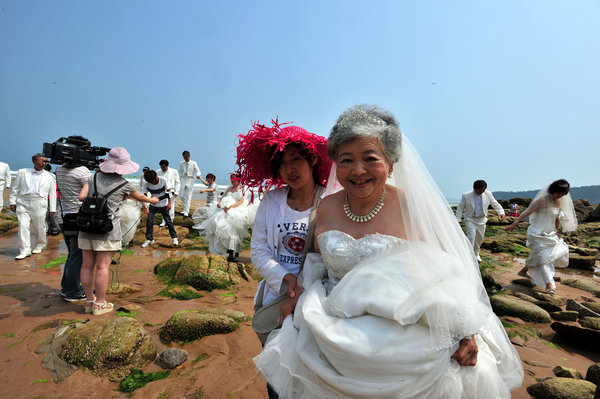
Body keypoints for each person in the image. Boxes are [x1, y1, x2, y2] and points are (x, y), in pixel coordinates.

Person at [254, 105, 523, 398]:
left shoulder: (413, 208)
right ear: (335, 165)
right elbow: (318, 263)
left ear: (391, 163)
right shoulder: (328, 206)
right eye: (346, 160)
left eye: (370, 158)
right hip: (329, 324)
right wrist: (298, 294)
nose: (357, 170)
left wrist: (465, 330)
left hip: (403, 335)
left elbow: (447, 272)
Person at [78, 147, 158, 315]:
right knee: (102, 268)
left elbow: (82, 196)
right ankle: (100, 304)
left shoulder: (92, 177)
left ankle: (88, 302)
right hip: (107, 230)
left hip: (86, 226)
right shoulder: (124, 185)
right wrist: (153, 200)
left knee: (86, 266)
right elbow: (142, 198)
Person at [505, 179, 577, 295]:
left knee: (540, 255)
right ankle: (549, 284)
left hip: (550, 233)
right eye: (558, 193)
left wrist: (557, 231)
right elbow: (526, 213)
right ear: (553, 190)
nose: (560, 196)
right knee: (544, 258)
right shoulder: (541, 201)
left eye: (562, 194)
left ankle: (524, 270)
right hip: (537, 233)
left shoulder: (558, 202)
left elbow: (556, 218)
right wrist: (514, 224)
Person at [55, 153, 92, 301]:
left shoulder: (59, 169)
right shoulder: (83, 171)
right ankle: (73, 292)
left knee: (72, 255)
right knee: (78, 257)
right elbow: (92, 188)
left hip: (65, 217)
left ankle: (67, 288)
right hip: (80, 218)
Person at [9, 154, 57, 260]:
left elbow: (53, 193)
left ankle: (40, 244)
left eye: (46, 161)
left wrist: (53, 208)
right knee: (23, 226)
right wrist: (12, 202)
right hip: (23, 202)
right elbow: (15, 188)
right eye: (42, 161)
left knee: (39, 226)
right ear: (34, 161)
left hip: (39, 203)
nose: (44, 163)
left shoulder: (50, 176)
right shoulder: (22, 172)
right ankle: (24, 250)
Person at [200, 172, 250, 262]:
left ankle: (237, 254)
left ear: (238, 180)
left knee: (235, 233)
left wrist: (231, 207)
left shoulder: (242, 189)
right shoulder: (229, 189)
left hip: (237, 210)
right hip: (225, 210)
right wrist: (219, 204)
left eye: (234, 179)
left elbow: (241, 201)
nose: (232, 181)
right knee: (225, 231)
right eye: (231, 179)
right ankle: (230, 253)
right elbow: (222, 197)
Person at [456, 180, 506, 262]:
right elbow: (460, 208)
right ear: (474, 188)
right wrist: (458, 219)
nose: (481, 192)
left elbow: (495, 204)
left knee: (479, 238)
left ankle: (476, 254)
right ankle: (468, 255)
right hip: (470, 219)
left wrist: (501, 212)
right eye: (479, 190)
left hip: (482, 220)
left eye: (483, 190)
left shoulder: (488, 194)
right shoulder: (466, 195)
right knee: (471, 237)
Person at [141, 169, 178, 247]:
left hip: (163, 205)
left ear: (156, 178)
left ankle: (174, 238)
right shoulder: (146, 184)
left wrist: (169, 204)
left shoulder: (163, 180)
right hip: (153, 205)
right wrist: (145, 207)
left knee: (168, 221)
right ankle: (149, 239)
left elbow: (169, 193)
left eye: (152, 182)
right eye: (149, 182)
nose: (150, 184)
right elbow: (144, 197)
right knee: (149, 221)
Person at [157, 159, 180, 227]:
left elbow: (178, 182)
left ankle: (170, 221)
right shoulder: (157, 172)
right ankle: (164, 221)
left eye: (164, 167)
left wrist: (177, 191)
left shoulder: (174, 171)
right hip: (162, 191)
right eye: (161, 167)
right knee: (163, 206)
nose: (162, 168)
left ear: (167, 166)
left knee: (171, 206)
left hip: (171, 190)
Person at [178, 150, 201, 217]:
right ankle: (185, 209)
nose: (185, 159)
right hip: (183, 179)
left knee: (188, 195)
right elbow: (180, 172)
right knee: (181, 195)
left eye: (186, 157)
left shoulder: (194, 163)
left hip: (190, 179)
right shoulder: (181, 163)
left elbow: (198, 170)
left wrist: (198, 175)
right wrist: (177, 180)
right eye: (184, 157)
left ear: (189, 156)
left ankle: (186, 211)